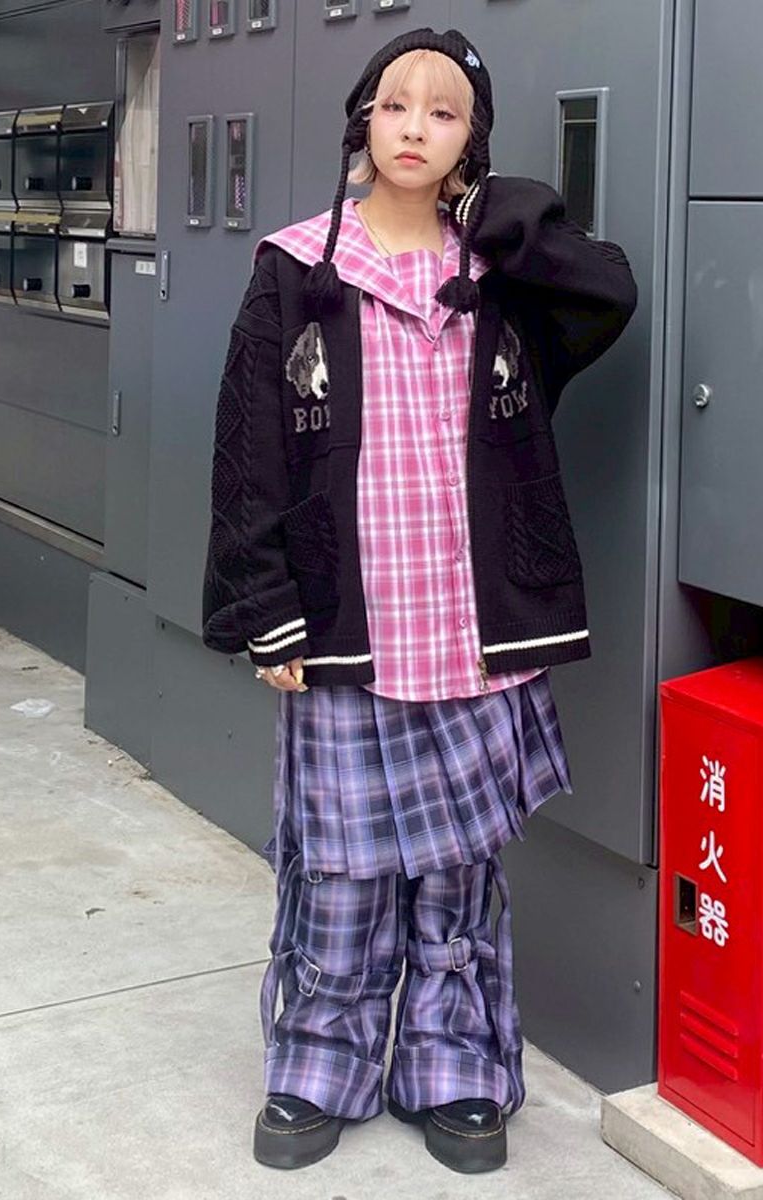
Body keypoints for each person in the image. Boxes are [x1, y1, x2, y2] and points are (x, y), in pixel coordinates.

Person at [201, 26, 638, 1175]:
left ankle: (453, 1067)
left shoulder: (501, 278)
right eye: (395, 106)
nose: (413, 129)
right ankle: (318, 1063)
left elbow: (606, 290)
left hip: (471, 630)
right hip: (347, 629)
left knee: (456, 873)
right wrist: (263, 604)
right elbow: (248, 450)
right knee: (340, 870)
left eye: (444, 114)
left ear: (470, 140)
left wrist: (497, 211)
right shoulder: (294, 268)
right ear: (362, 122)